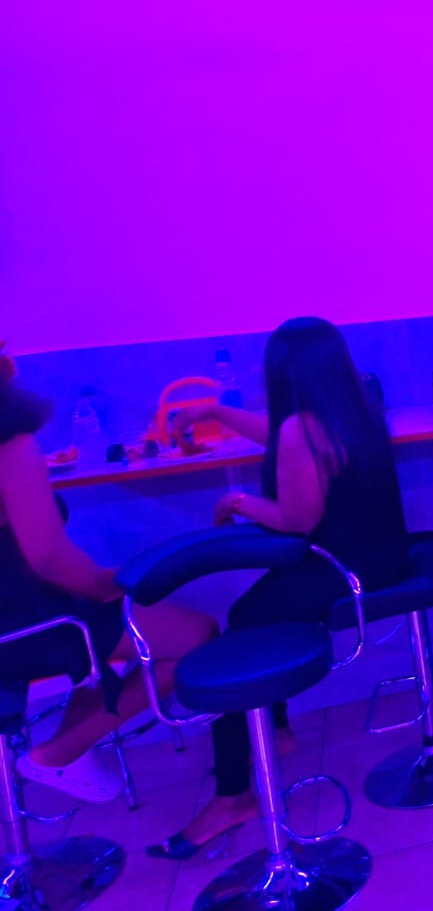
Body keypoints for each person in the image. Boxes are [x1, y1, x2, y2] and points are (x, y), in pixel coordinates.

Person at [149, 317, 410, 858]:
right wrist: (216, 411)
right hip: (382, 555)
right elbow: (283, 438)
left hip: (342, 569)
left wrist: (239, 502)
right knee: (251, 610)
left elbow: (297, 520)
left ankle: (232, 796)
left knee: (235, 641)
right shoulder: (355, 407)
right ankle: (278, 728)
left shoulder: (301, 429)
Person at [0, 343, 216, 802]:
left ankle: (69, 751)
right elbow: (48, 557)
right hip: (29, 623)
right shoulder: (9, 443)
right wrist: (102, 587)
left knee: (108, 633)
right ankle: (58, 754)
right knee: (197, 635)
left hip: (19, 618)